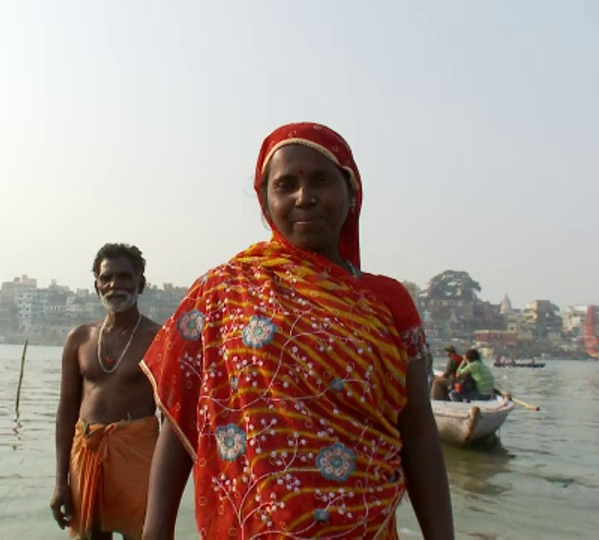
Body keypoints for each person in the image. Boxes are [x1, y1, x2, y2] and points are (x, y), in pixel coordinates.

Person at [140, 123, 454, 539]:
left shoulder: (388, 300)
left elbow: (417, 429)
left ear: (351, 192)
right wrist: (155, 530)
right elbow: (179, 421)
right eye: (285, 185)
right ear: (266, 203)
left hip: (364, 527)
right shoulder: (222, 291)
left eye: (321, 180)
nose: (304, 198)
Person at [50, 243, 162, 539]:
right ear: (96, 285)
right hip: (86, 450)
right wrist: (61, 482)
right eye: (106, 278)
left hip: (137, 454)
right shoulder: (80, 338)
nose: (115, 285)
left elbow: (173, 418)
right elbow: (65, 413)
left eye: (125, 277)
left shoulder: (160, 339)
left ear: (141, 283)